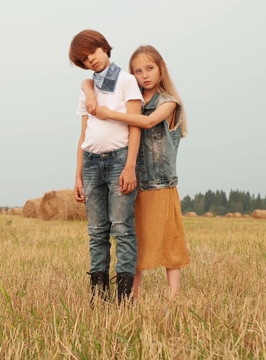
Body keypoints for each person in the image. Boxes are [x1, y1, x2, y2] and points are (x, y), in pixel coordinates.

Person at [82, 45, 190, 298]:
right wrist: (88, 88)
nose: (145, 75)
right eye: (138, 71)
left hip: (160, 183)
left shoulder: (170, 103)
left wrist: (110, 113)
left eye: (150, 68)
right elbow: (90, 81)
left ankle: (173, 294)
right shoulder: (133, 99)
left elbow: (149, 122)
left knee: (169, 239)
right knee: (132, 236)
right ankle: (133, 293)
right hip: (131, 180)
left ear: (161, 68)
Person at [68, 30, 144, 305]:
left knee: (122, 228)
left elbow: (136, 125)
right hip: (90, 162)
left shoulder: (127, 82)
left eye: (94, 53)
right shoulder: (89, 88)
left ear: (104, 48)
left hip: (119, 160)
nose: (92, 61)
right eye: (85, 60)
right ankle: (98, 296)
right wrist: (77, 174)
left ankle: (124, 298)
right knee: (96, 230)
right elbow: (83, 133)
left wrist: (130, 166)